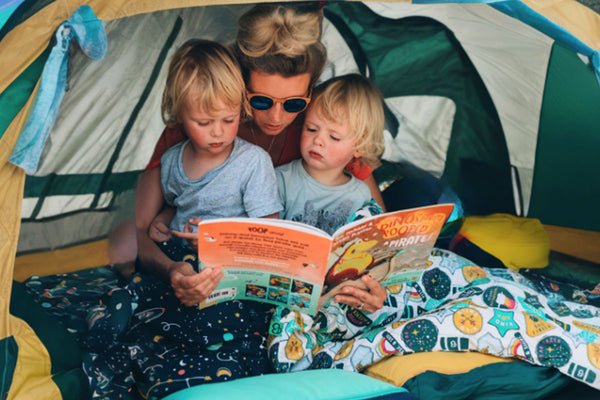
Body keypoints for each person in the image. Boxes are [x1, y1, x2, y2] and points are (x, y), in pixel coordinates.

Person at [134, 3, 387, 310]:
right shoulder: (203, 121)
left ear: (310, 92)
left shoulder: (318, 127)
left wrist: (375, 284)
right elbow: (140, 231)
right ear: (239, 84)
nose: (276, 117)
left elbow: (379, 232)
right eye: (261, 100)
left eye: (294, 103)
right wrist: (172, 271)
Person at [87, 39, 282, 399]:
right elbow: (178, 203)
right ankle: (140, 343)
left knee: (219, 318)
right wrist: (163, 219)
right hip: (183, 259)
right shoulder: (174, 161)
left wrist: (216, 245)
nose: (219, 132)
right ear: (179, 115)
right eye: (204, 122)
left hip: (230, 267)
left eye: (229, 118)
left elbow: (267, 236)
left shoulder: (253, 163)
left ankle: (193, 365)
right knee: (134, 298)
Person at [269, 73, 389, 372]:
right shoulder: (281, 179)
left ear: (358, 147)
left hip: (340, 295)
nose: (318, 140)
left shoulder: (361, 194)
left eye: (334, 137)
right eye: (311, 128)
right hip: (290, 290)